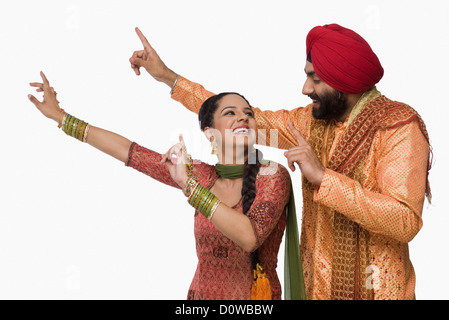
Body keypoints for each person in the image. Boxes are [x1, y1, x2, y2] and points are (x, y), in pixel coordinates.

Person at [129, 24, 432, 300]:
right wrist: (168, 77)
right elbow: (249, 121)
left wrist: (324, 179)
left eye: (315, 79)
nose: (306, 88)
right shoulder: (311, 123)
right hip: (317, 291)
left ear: (344, 80)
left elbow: (405, 221)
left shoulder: (398, 126)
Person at [27, 72, 306, 300]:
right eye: (231, 113)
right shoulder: (202, 175)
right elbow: (131, 153)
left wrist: (189, 187)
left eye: (248, 113)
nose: (243, 117)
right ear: (210, 134)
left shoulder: (272, 175)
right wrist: (61, 117)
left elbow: (249, 237)